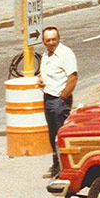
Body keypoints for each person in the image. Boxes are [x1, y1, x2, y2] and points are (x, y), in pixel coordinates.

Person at [37, 26, 77, 178]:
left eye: (54, 39)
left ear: (58, 38)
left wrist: (63, 99)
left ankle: (65, 168)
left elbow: (72, 78)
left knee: (61, 135)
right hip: (48, 97)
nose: (51, 42)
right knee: (52, 134)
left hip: (60, 99)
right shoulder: (46, 55)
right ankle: (56, 165)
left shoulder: (65, 53)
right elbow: (44, 73)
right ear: (44, 42)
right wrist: (41, 81)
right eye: (48, 40)